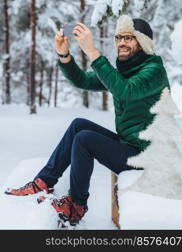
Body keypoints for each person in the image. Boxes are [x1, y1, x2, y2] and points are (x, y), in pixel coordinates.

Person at [5, 15, 170, 226]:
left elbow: (126, 91)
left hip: (148, 156)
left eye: (128, 38)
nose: (121, 42)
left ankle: (77, 205)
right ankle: (43, 182)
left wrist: (92, 51)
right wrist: (64, 54)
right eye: (119, 37)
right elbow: (81, 80)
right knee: (78, 125)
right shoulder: (124, 71)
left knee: (85, 140)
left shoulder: (154, 71)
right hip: (131, 146)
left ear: (143, 42)